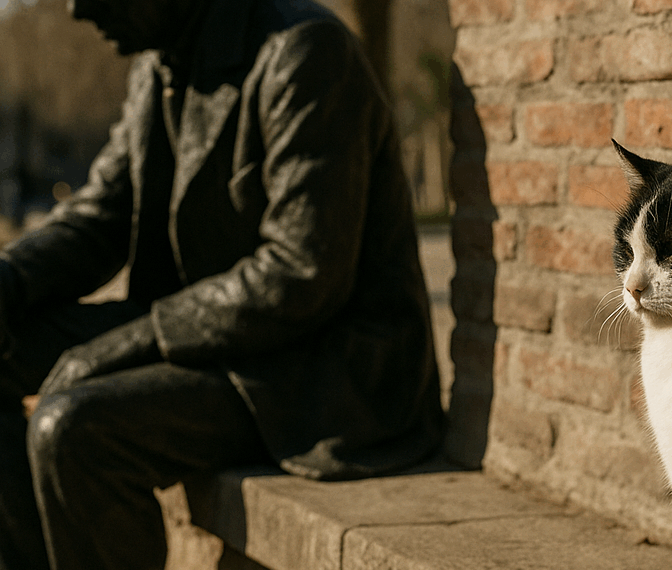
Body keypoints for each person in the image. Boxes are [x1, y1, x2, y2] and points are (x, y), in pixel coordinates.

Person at [0, 0, 444, 568]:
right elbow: (101, 219)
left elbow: (301, 272)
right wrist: (9, 278)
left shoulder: (304, 52)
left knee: (73, 429)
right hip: (219, 338)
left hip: (317, 370)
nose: (77, 9)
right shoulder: (158, 68)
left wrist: (118, 345)